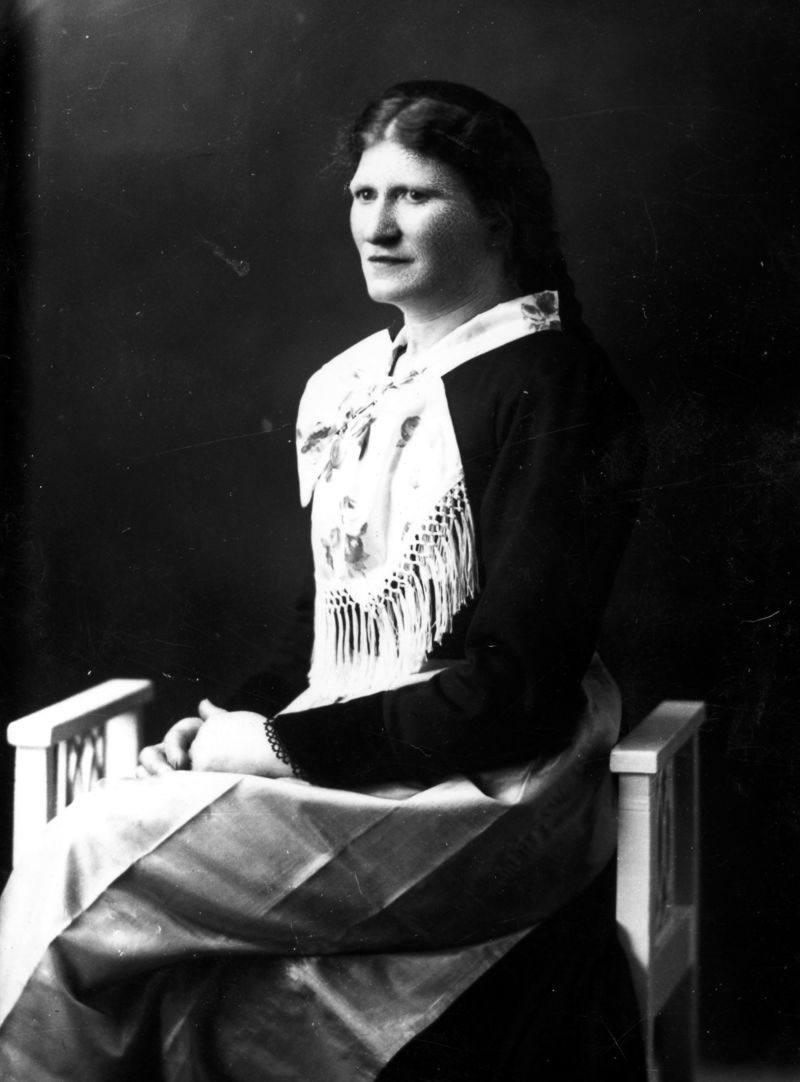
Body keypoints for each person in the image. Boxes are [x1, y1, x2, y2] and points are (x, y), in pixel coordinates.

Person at [0, 81, 646, 1080]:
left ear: (498, 216)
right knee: (116, 826)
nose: (377, 226)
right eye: (362, 195)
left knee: (81, 856)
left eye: (415, 196)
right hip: (357, 756)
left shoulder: (555, 385)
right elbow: (325, 641)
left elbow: (516, 689)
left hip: (483, 795)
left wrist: (269, 746)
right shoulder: (350, 388)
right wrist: (230, 725)